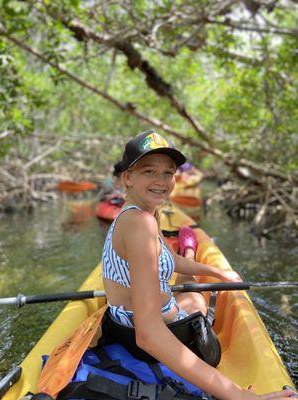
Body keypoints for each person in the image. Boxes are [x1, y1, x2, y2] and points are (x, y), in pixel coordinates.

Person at [101, 129, 294, 400]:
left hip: (124, 327)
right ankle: (190, 246)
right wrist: (241, 396)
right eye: (149, 171)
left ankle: (190, 252)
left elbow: (167, 260)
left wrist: (216, 271)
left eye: (168, 173)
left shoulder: (139, 215)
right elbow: (148, 335)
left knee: (190, 288)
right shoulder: (141, 223)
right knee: (195, 297)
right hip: (149, 339)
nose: (162, 181)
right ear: (128, 177)